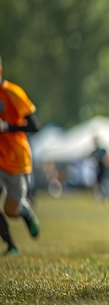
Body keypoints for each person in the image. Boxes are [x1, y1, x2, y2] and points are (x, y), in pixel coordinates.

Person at [0, 52, 41, 255]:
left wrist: (7, 127)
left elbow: (35, 125)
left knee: (11, 210)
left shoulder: (13, 93)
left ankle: (24, 211)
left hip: (16, 158)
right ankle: (11, 245)